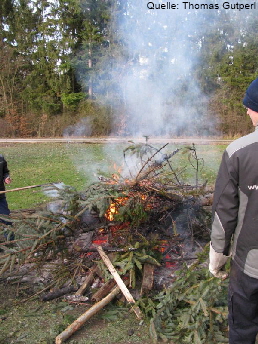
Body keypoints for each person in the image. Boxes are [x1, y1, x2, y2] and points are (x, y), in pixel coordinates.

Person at [209, 77, 258, 344]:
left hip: (249, 263)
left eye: (250, 106)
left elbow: (223, 214)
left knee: (242, 329)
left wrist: (217, 259)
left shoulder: (237, 152)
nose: (247, 111)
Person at [0, 154, 12, 239]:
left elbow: (5, 172)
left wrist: (6, 178)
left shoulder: (1, 159)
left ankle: (10, 242)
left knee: (6, 218)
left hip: (1, 195)